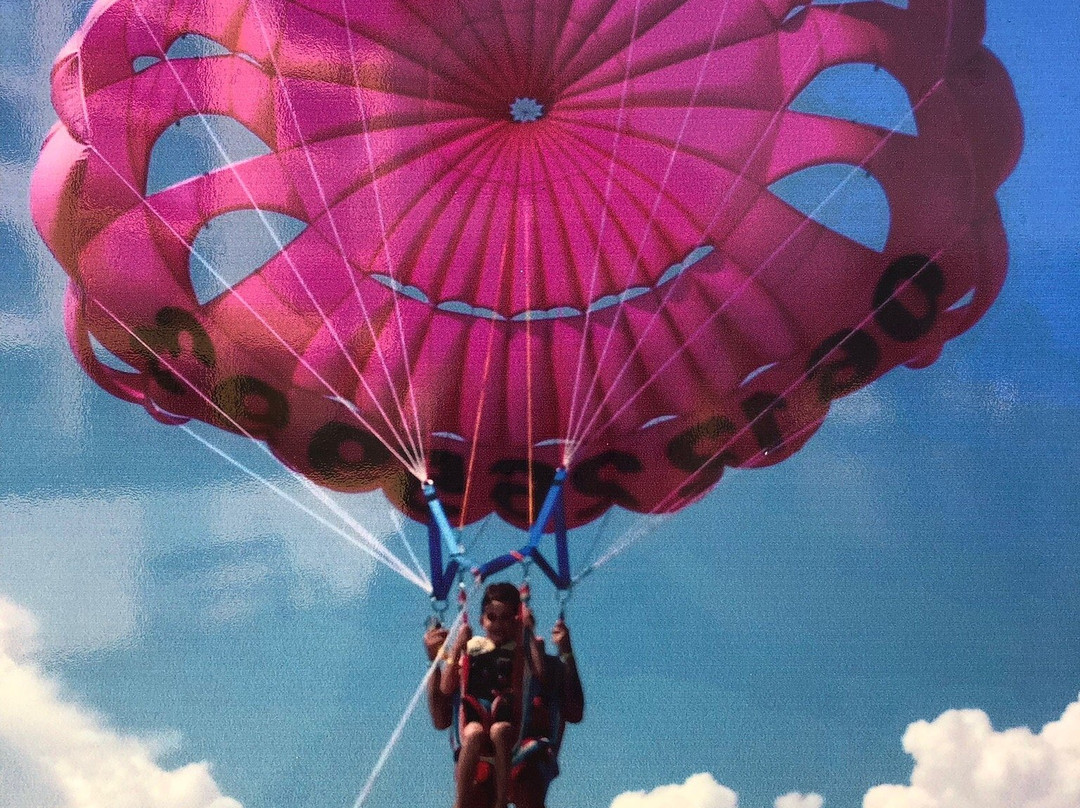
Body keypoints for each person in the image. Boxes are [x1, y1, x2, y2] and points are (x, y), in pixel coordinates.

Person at [423, 586, 584, 808]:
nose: (500, 626)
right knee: (477, 788)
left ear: (519, 620)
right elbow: (441, 721)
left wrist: (566, 652)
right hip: (480, 754)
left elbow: (574, 712)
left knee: (526, 776)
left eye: (508, 618)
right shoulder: (471, 662)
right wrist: (434, 663)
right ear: (482, 620)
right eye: (492, 617)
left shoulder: (541, 666)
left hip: (525, 757)